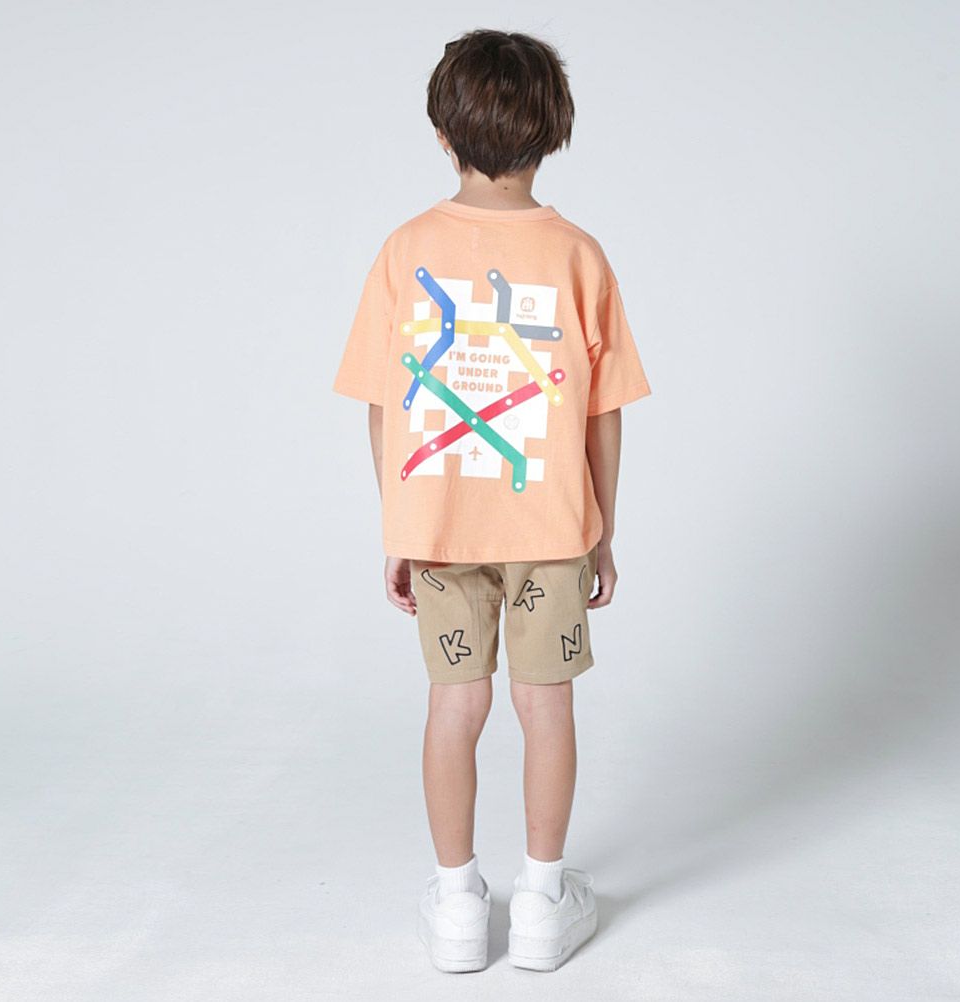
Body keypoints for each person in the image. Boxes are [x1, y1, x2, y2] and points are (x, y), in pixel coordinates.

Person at [332, 28, 652, 973]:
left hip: (439, 531)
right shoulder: (579, 257)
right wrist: (601, 533)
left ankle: (458, 903)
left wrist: (399, 526)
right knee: (544, 706)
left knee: (454, 704)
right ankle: (544, 901)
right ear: (554, 131)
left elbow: (384, 407)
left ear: (443, 134)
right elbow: (601, 415)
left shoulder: (406, 251)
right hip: (549, 527)